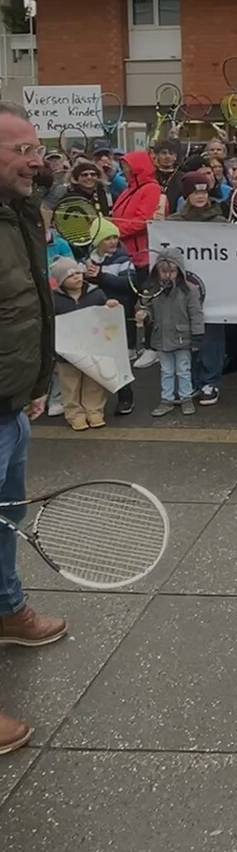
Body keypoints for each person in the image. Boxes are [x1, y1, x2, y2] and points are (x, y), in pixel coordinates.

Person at [0, 101, 66, 755]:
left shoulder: (18, 211)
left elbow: (26, 306)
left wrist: (34, 383)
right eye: (21, 150)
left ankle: (6, 610)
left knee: (6, 519)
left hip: (11, 403)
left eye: (36, 147)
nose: (35, 160)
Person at [168, 172, 227, 406]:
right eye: (195, 192)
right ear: (187, 195)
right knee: (186, 337)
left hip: (214, 290)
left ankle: (210, 381)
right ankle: (189, 380)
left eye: (204, 191)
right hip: (185, 292)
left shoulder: (220, 222)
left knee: (211, 337)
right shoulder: (173, 223)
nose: (200, 196)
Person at [50, 258, 122, 431]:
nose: (77, 277)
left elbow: (104, 315)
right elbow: (50, 324)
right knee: (70, 384)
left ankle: (94, 411)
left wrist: (110, 306)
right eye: (70, 275)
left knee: (94, 381)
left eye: (78, 272)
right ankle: (75, 414)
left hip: (93, 347)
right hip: (66, 351)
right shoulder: (54, 299)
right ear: (61, 281)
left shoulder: (96, 293)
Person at [135, 247, 204, 417]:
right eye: (163, 272)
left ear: (179, 271)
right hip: (161, 337)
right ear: (157, 271)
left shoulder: (189, 290)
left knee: (183, 369)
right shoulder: (153, 289)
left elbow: (196, 314)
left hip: (182, 338)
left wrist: (197, 336)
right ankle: (167, 399)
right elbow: (145, 307)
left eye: (172, 271)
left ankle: (186, 398)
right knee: (166, 370)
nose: (167, 275)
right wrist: (144, 314)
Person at [111, 150, 163, 369]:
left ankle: (152, 347)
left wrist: (113, 230)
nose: (124, 169)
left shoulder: (151, 188)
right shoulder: (129, 189)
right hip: (127, 255)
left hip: (144, 256)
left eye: (127, 165)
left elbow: (143, 220)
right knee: (127, 301)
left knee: (148, 303)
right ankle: (131, 345)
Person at [83, 218, 137, 416]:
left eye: (115, 237)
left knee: (118, 360)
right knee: (96, 361)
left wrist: (101, 277)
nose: (113, 241)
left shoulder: (123, 260)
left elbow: (129, 284)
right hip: (94, 317)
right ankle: (94, 404)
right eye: (108, 238)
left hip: (117, 318)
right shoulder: (87, 261)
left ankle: (125, 398)